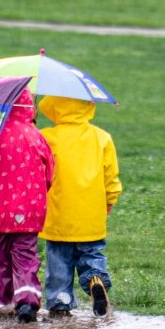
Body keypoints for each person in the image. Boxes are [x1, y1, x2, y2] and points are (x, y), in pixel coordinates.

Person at [0, 87, 55, 323]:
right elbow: (49, 173)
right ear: (30, 108)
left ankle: (2, 302)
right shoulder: (37, 136)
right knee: (25, 254)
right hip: (31, 209)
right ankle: (27, 300)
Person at [37, 95, 123, 317]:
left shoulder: (47, 137)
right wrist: (110, 199)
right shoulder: (102, 138)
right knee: (92, 253)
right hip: (91, 213)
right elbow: (110, 174)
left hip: (58, 215)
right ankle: (96, 279)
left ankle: (60, 304)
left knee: (59, 261)